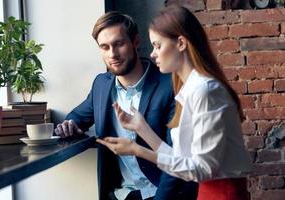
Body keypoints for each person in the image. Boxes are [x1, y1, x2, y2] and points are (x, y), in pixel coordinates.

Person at [97, 5, 253, 200]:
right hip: (209, 192)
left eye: (157, 45)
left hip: (223, 193)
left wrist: (138, 150)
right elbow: (182, 160)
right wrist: (141, 128)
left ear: (180, 43)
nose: (153, 54)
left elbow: (201, 170)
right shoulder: (190, 89)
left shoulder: (205, 91)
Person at [55, 11, 198, 200]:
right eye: (104, 47)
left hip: (162, 192)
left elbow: (177, 157)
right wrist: (70, 124)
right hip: (121, 194)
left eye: (119, 44)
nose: (112, 54)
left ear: (136, 42)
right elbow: (79, 116)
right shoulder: (101, 84)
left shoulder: (170, 84)